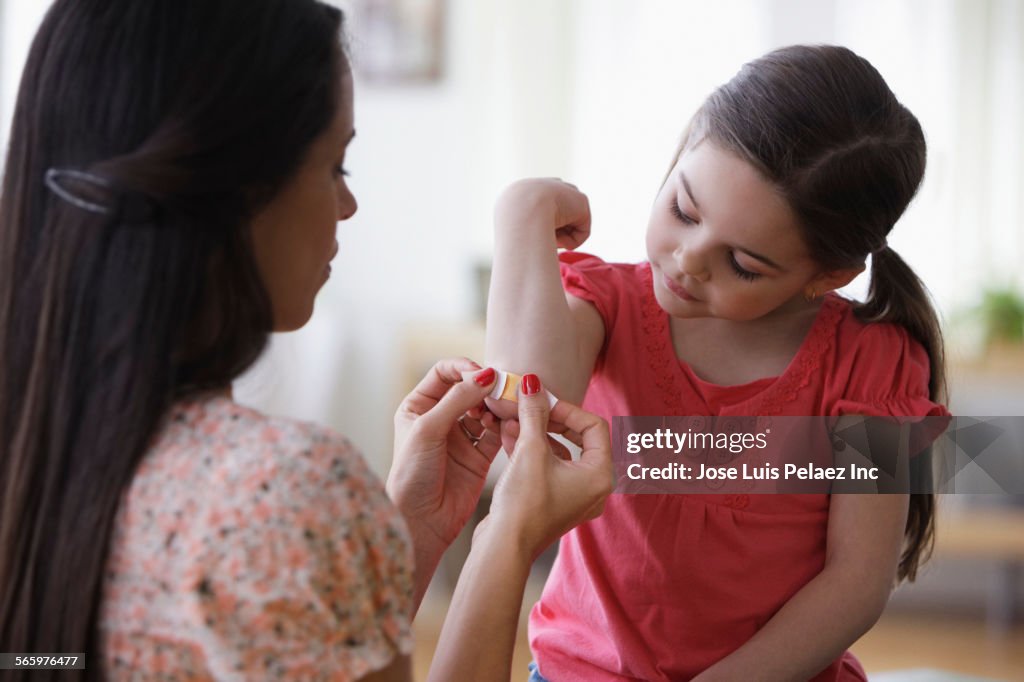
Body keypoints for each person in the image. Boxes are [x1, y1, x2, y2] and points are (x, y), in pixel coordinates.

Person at [0, 1, 614, 680]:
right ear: (233, 189)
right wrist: (507, 538)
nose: (348, 206)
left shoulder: (38, 446)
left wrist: (403, 533)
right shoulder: (279, 488)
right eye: (336, 167)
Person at [485, 45, 951, 681]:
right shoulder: (608, 305)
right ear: (683, 148)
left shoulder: (879, 363)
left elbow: (855, 584)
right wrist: (521, 212)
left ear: (828, 274)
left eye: (743, 264)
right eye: (683, 210)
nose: (687, 260)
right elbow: (525, 410)